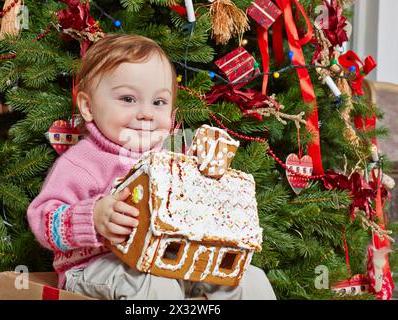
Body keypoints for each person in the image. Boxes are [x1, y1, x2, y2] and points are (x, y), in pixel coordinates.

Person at [27, 33, 276, 300]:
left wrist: (209, 174)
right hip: (97, 268)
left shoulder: (175, 156)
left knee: (249, 280)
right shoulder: (82, 162)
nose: (146, 113)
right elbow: (42, 219)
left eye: (158, 102)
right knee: (154, 287)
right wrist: (93, 217)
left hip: (174, 262)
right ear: (88, 106)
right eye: (128, 99)